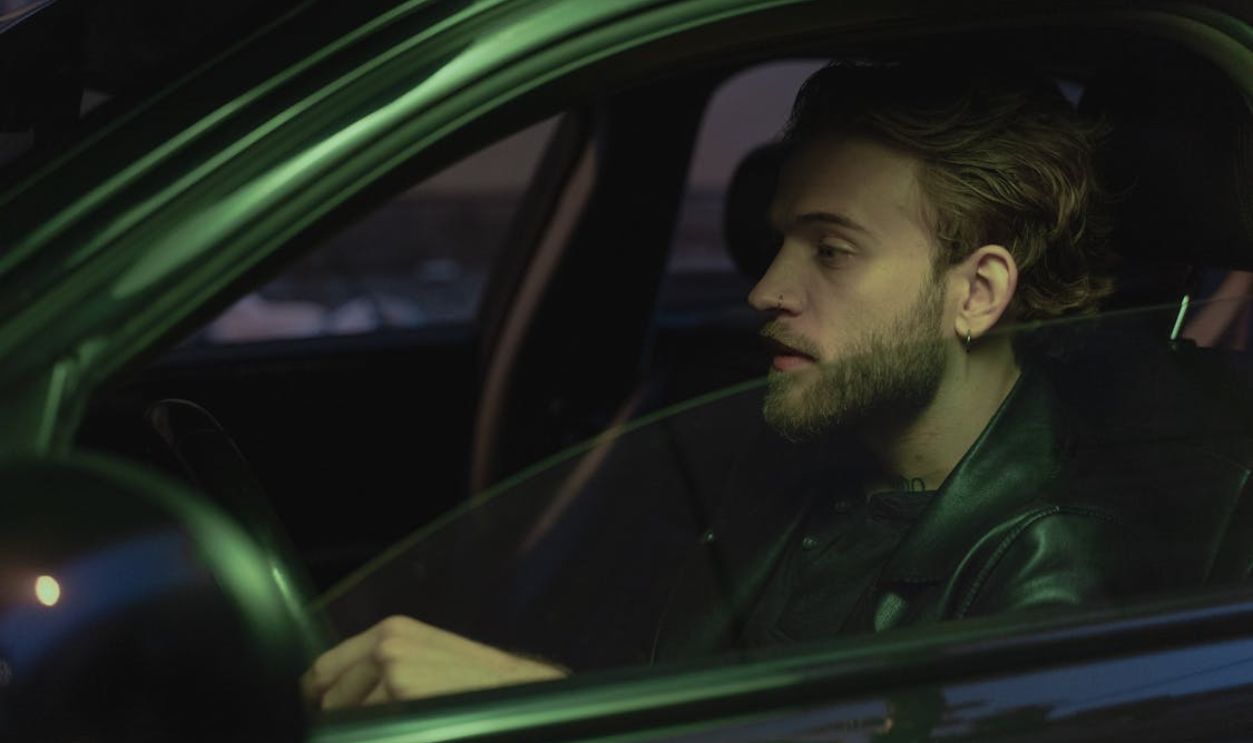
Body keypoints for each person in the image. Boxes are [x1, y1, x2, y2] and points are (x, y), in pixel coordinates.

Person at [304, 59, 1134, 707]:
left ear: (977, 292)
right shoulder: (798, 451)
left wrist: (541, 708)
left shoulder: (1044, 577)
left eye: (830, 250)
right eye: (780, 243)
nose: (765, 289)